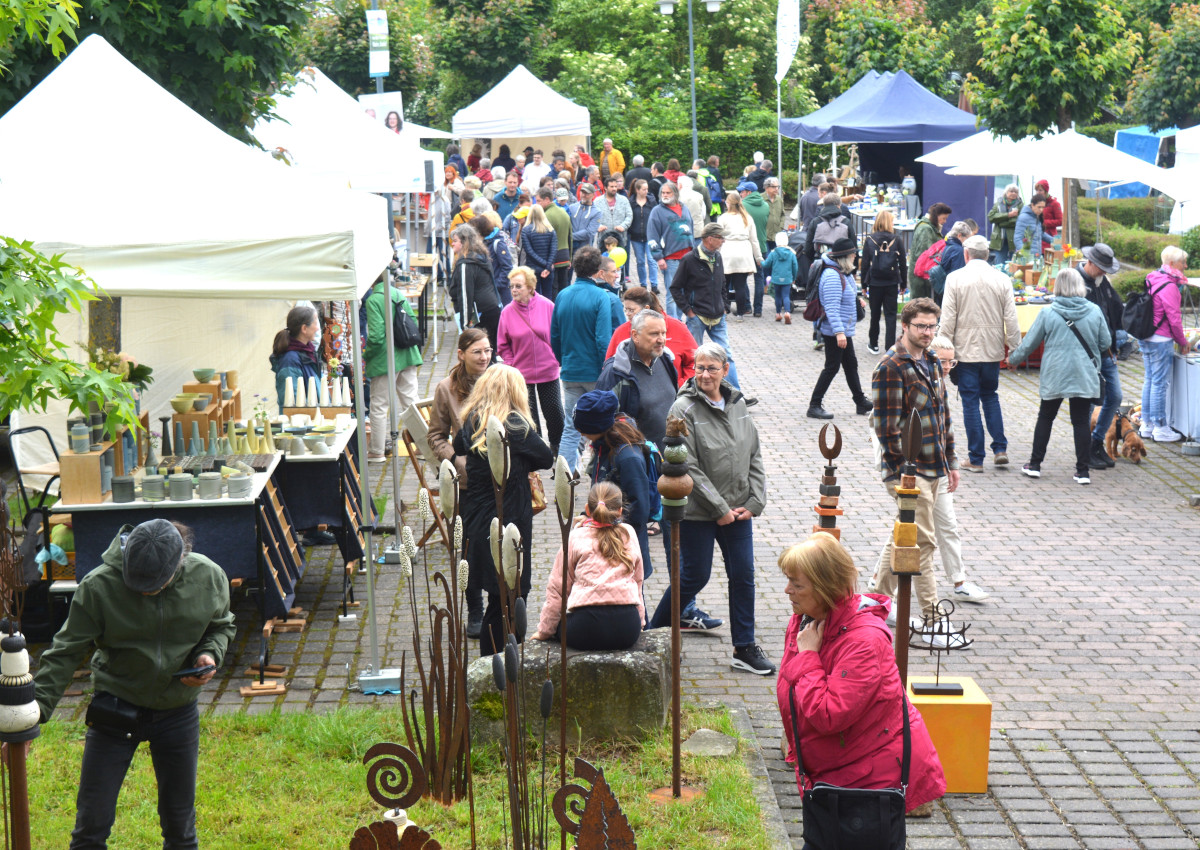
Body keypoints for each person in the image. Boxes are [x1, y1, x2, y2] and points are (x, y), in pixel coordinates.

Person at [35, 519, 236, 849]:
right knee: (91, 826)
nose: (144, 590)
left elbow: (221, 626)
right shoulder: (98, 586)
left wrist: (209, 655)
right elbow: (64, 652)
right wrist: (34, 716)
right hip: (116, 707)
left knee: (181, 828)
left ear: (180, 561)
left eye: (154, 584)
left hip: (177, 710)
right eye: (136, 583)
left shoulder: (209, 576)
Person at [775, 532, 947, 820]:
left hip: (869, 781)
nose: (787, 590)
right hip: (838, 770)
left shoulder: (864, 641)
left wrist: (808, 657)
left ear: (825, 588)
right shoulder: (808, 619)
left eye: (796, 583)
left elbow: (828, 713)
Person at [648, 343, 772, 674]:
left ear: (725, 369)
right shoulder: (682, 409)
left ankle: (744, 647)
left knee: (744, 575)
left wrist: (754, 501)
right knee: (694, 575)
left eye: (711, 368)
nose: (704, 374)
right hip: (699, 513)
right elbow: (685, 465)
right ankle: (654, 636)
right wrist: (719, 508)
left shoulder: (738, 403)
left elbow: (754, 453)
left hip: (739, 511)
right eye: (699, 368)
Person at [869, 298, 962, 627]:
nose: (926, 332)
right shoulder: (890, 367)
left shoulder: (935, 361)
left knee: (903, 535)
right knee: (924, 542)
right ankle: (934, 619)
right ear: (905, 326)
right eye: (920, 326)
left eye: (931, 326)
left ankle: (874, 601)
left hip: (935, 465)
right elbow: (886, 429)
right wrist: (902, 475)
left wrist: (951, 460)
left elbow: (942, 416)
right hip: (909, 472)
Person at [453, 366, 554, 655]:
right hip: (509, 519)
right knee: (509, 597)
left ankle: (496, 664)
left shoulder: (473, 421)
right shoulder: (515, 425)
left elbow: (458, 446)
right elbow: (546, 458)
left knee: (497, 597)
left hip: (477, 516)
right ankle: (500, 666)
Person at [1008, 268, 1109, 485]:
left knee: (1046, 417)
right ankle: (1082, 471)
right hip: (1083, 372)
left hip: (1055, 373)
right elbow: (1105, 343)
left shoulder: (1048, 312)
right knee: (1081, 421)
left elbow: (1030, 343)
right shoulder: (1094, 310)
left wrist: (1013, 360)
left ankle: (1035, 465)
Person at [940, 235, 1022, 473]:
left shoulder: (955, 278)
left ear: (966, 254)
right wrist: (1014, 350)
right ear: (988, 255)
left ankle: (976, 458)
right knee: (990, 396)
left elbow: (947, 318)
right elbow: (1011, 318)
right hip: (992, 350)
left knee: (970, 402)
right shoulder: (1002, 279)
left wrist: (943, 352)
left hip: (965, 351)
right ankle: (1000, 449)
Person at [428, 328, 491, 637]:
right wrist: (455, 459)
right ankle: (475, 610)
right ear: (461, 354)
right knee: (469, 547)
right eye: (477, 351)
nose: (484, 357)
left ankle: (498, 607)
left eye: (488, 351)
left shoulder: (500, 382)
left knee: (499, 545)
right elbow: (435, 436)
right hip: (466, 483)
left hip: (499, 480)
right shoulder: (446, 388)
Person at [532, 481, 645, 650]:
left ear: (587, 509)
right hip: (627, 629)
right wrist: (641, 622)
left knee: (560, 627)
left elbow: (558, 589)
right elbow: (637, 582)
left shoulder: (575, 536)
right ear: (620, 511)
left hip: (585, 628)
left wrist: (544, 631)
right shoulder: (628, 533)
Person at [550, 246, 625, 474]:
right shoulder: (601, 297)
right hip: (595, 372)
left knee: (571, 426)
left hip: (571, 371)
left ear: (573, 267)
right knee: (606, 421)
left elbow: (554, 335)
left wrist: (563, 360)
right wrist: (608, 369)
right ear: (598, 272)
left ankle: (565, 475)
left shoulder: (562, 295)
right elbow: (604, 340)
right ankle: (603, 470)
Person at [573, 391, 656, 583]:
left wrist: (604, 521)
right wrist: (589, 515)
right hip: (608, 542)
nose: (580, 433)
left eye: (583, 428)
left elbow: (639, 509)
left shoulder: (628, 459)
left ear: (598, 426)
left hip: (624, 547)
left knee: (633, 606)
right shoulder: (604, 444)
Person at [805, 238, 872, 421]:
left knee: (851, 365)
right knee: (832, 367)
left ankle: (860, 401)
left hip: (843, 328)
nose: (855, 257)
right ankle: (814, 405)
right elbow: (831, 308)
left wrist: (857, 301)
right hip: (835, 330)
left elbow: (848, 293)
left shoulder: (844, 273)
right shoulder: (832, 276)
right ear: (845, 256)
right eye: (853, 255)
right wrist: (839, 332)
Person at [670, 222, 742, 389]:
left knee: (726, 356)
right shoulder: (689, 259)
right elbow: (675, 287)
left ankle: (735, 393)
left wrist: (725, 306)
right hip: (697, 317)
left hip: (718, 316)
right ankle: (693, 391)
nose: (723, 241)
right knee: (694, 356)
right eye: (720, 238)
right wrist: (688, 311)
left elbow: (722, 283)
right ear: (710, 239)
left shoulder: (718, 257)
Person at [499, 267, 563, 455]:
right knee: (528, 415)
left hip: (548, 369)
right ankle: (537, 452)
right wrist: (511, 365)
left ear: (530, 287)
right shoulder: (507, 312)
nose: (514, 290)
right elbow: (503, 345)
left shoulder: (547, 306)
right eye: (512, 286)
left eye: (518, 286)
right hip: (521, 374)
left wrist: (556, 356)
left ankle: (557, 447)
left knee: (554, 412)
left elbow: (558, 334)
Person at [596, 308, 678, 452]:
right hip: (638, 463)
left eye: (663, 333)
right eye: (654, 334)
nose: (661, 339)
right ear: (635, 335)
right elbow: (600, 425)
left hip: (670, 458)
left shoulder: (665, 360)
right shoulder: (616, 372)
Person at [364, 275, 423, 463]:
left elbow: (376, 335)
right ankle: (424, 446)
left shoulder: (373, 299)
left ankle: (377, 451)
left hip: (385, 358)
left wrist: (366, 354)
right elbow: (412, 319)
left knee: (379, 405)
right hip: (407, 353)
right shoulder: (397, 293)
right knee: (411, 401)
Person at [1077, 243, 1125, 469]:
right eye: (1102, 268)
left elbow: (1115, 308)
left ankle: (1096, 442)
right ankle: (1086, 449)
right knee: (1087, 402)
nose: (1105, 272)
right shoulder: (1075, 281)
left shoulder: (1102, 281)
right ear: (1091, 263)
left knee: (1114, 396)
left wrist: (1120, 335)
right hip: (1085, 354)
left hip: (1107, 351)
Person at [1140, 246, 1191, 442]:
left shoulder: (1153, 277)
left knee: (1150, 380)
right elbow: (1174, 319)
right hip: (1161, 339)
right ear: (1172, 264)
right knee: (1159, 383)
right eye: (1182, 262)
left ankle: (1147, 424)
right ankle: (1161, 427)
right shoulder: (1170, 286)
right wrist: (1182, 341)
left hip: (1146, 336)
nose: (1185, 266)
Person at [606, 286, 697, 386]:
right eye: (626, 310)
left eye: (631, 310)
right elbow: (610, 365)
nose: (627, 314)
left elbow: (694, 363)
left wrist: (680, 386)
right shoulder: (621, 332)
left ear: (646, 309)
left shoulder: (678, 328)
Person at [860, 209, 907, 354]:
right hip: (891, 281)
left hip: (875, 282)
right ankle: (890, 347)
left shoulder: (870, 240)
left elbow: (865, 264)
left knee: (874, 314)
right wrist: (903, 283)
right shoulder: (897, 239)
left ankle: (873, 344)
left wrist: (863, 284)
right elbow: (902, 263)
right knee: (891, 315)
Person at [450, 224, 502, 352]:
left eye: (455, 241)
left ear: (464, 242)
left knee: (479, 354)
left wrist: (465, 324)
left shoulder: (465, 264)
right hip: (492, 309)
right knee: (490, 352)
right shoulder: (481, 256)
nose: (452, 244)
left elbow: (465, 294)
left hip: (479, 314)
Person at [648, 180, 695, 321]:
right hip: (670, 259)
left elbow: (691, 228)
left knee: (687, 292)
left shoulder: (684, 208)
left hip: (688, 257)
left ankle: (680, 321)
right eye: (663, 192)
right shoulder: (657, 211)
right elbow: (652, 236)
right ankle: (673, 323)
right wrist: (658, 257)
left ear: (675, 193)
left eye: (668, 192)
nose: (665, 195)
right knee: (672, 293)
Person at [718, 191, 763, 319]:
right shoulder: (747, 218)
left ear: (728, 203)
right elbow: (754, 240)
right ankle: (741, 314)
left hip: (727, 251)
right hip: (744, 251)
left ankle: (724, 311)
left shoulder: (723, 218)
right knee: (741, 286)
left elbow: (718, 237)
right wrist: (758, 258)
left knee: (724, 286)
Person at [269, 304, 322, 412]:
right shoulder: (290, 359)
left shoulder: (308, 353)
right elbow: (292, 400)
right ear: (304, 328)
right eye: (315, 323)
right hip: (300, 423)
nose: (317, 328)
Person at [739, 181, 771, 317]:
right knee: (759, 278)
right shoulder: (766, 205)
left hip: (746, 246)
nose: (740, 194)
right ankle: (758, 309)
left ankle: (746, 307)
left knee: (742, 278)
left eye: (743, 192)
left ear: (749, 193)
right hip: (762, 245)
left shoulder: (742, 206)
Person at [908, 202, 951, 299]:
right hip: (921, 278)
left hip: (922, 276)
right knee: (921, 307)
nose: (945, 221)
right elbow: (925, 256)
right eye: (944, 218)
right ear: (936, 216)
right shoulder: (926, 229)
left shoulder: (929, 227)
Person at [470, 215, 514, 306]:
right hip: (487, 291)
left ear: (479, 231)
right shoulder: (480, 243)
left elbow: (507, 267)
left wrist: (497, 285)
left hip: (500, 293)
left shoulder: (497, 243)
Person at [538, 187, 573, 297]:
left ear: (547, 199)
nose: (537, 204)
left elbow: (545, 241)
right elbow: (570, 237)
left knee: (553, 289)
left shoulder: (546, 216)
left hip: (552, 258)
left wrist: (547, 261)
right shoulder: (564, 213)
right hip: (565, 255)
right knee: (564, 287)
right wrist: (570, 257)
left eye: (539, 201)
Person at [520, 202, 559, 300]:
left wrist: (544, 264)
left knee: (534, 296)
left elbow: (529, 251)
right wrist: (547, 266)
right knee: (548, 296)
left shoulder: (526, 230)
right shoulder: (550, 230)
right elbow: (553, 250)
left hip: (532, 269)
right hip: (548, 269)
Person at [628, 178, 658, 292]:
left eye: (647, 189)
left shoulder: (651, 202)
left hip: (650, 236)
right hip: (636, 237)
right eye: (644, 189)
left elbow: (656, 217)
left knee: (651, 260)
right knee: (640, 261)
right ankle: (643, 284)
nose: (646, 191)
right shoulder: (631, 202)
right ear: (637, 190)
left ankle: (654, 284)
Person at [763, 230, 799, 324]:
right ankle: (787, 313)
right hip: (787, 279)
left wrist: (761, 262)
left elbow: (766, 264)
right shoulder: (791, 253)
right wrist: (793, 278)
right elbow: (795, 266)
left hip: (776, 279)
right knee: (786, 296)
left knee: (778, 296)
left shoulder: (773, 253)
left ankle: (778, 313)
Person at [595, 174, 633, 251]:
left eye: (615, 186)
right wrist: (598, 226)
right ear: (605, 188)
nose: (614, 189)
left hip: (620, 238)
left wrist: (623, 226)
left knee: (620, 262)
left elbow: (629, 215)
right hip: (604, 239)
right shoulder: (597, 201)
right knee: (604, 262)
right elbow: (593, 217)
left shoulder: (624, 200)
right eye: (612, 187)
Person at [987, 184, 1022, 266]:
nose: (1013, 193)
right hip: (999, 240)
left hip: (1014, 240)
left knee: (1013, 265)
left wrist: (1001, 222)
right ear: (1006, 193)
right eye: (1011, 191)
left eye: (1015, 192)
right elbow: (991, 217)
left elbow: (1018, 221)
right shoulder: (998, 203)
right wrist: (1008, 215)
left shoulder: (1020, 204)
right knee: (999, 264)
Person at [568, 183, 602, 255]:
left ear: (593, 194)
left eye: (587, 193)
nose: (584, 195)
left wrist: (570, 236)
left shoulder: (597, 212)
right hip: (569, 248)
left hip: (584, 251)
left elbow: (589, 233)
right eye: (582, 192)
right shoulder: (571, 207)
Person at [1012, 193, 1047, 258]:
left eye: (1043, 207)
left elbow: (1040, 234)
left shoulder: (1037, 216)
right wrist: (1025, 254)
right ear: (1032, 205)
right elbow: (1017, 239)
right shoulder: (1023, 217)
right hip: (1026, 258)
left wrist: (1055, 240)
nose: (1041, 210)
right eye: (1039, 207)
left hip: (1037, 256)